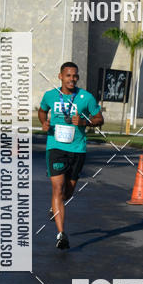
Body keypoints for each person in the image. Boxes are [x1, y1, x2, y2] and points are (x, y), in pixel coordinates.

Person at [38, 61, 104, 249]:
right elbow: (42, 111)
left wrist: (85, 122)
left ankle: (55, 207)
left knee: (68, 192)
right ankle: (61, 235)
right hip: (55, 147)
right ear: (60, 76)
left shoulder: (86, 97)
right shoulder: (50, 96)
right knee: (58, 188)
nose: (72, 79)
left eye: (75, 76)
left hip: (77, 149)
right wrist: (44, 122)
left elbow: (100, 119)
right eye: (68, 75)